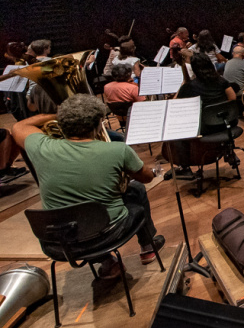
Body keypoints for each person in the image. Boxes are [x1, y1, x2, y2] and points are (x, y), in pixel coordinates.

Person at [11, 94, 165, 277]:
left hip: (59, 242)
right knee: (136, 190)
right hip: (107, 234)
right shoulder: (117, 150)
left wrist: (56, 115)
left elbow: (18, 127)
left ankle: (108, 263)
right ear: (99, 123)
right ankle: (148, 246)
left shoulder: (41, 146)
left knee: (82, 213)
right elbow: (146, 178)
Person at [177, 53, 236, 134]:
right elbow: (233, 98)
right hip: (227, 121)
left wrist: (184, 82)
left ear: (194, 69)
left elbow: (175, 104)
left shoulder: (189, 86)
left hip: (207, 127)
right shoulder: (222, 81)